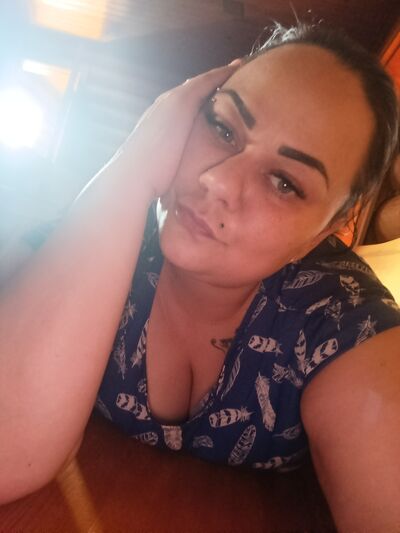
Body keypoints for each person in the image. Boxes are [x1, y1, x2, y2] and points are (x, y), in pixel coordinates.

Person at [0, 22, 399, 530]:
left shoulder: (343, 322)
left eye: (284, 182)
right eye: (222, 127)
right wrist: (134, 164)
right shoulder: (94, 233)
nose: (218, 181)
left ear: (326, 231)